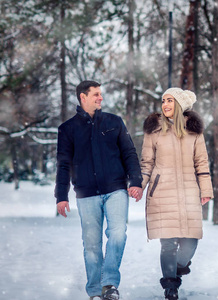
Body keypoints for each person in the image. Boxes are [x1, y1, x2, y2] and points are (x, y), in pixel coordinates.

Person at [54, 80, 143, 300]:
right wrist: (61, 196)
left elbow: (129, 153)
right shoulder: (68, 129)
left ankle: (109, 284)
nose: (100, 98)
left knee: (118, 234)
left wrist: (135, 181)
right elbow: (64, 164)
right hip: (86, 194)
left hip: (116, 190)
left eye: (101, 94)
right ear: (83, 97)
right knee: (92, 245)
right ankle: (94, 291)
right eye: (95, 94)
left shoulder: (114, 122)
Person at [139, 88, 213, 300]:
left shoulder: (194, 132)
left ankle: (178, 267)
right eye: (163, 100)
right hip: (162, 192)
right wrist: (139, 185)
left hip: (190, 192)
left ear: (180, 104)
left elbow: (202, 162)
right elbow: (146, 163)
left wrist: (206, 189)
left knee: (191, 241)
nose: (165, 104)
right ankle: (170, 286)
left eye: (170, 100)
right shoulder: (154, 130)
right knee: (168, 242)